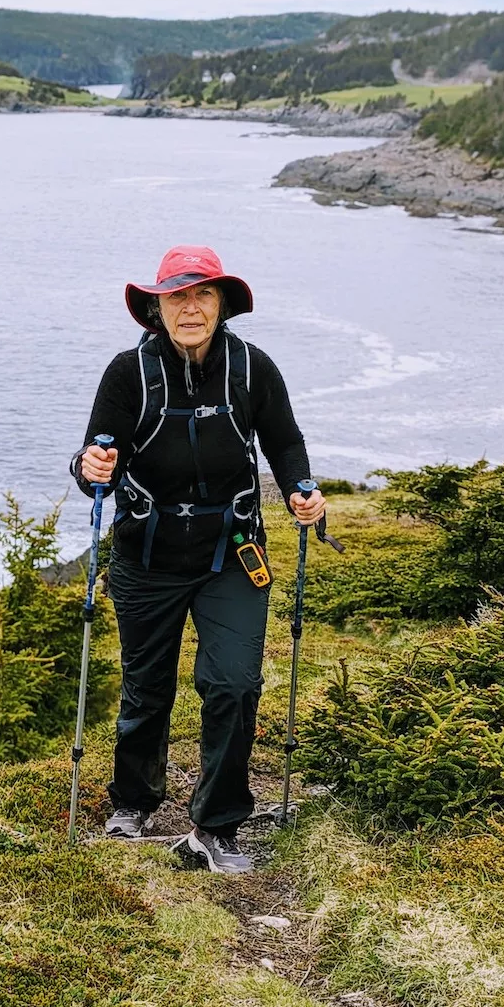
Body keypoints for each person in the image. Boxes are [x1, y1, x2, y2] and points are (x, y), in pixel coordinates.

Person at [70, 245, 324, 875]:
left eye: (202, 294)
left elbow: (285, 442)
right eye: (176, 296)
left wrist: (300, 488)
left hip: (231, 553)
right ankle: (132, 803)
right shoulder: (128, 374)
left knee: (234, 684)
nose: (189, 307)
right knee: (146, 688)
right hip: (145, 556)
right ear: (156, 308)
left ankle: (216, 827)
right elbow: (94, 460)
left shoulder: (252, 368)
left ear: (222, 304)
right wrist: (88, 467)